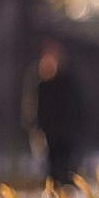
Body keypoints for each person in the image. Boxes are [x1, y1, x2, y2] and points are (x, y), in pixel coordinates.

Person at [33, 37, 86, 189]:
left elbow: (77, 107)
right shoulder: (42, 84)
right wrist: (38, 128)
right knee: (53, 168)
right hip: (50, 134)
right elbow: (36, 109)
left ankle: (67, 192)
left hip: (67, 134)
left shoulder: (69, 81)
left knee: (68, 167)